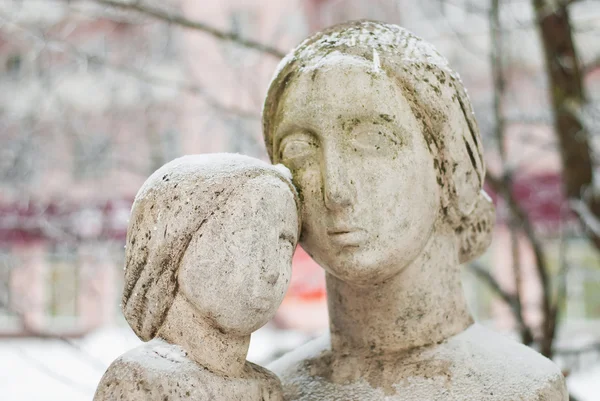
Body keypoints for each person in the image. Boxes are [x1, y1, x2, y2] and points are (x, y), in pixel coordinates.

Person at [262, 20, 567, 400]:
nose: (335, 189)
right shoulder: (271, 392)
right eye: (299, 150)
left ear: (449, 165)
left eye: (373, 139)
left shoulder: (520, 388)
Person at [94, 154, 300, 401]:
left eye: (284, 245)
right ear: (175, 246)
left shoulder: (268, 388)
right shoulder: (140, 380)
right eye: (245, 237)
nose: (271, 270)